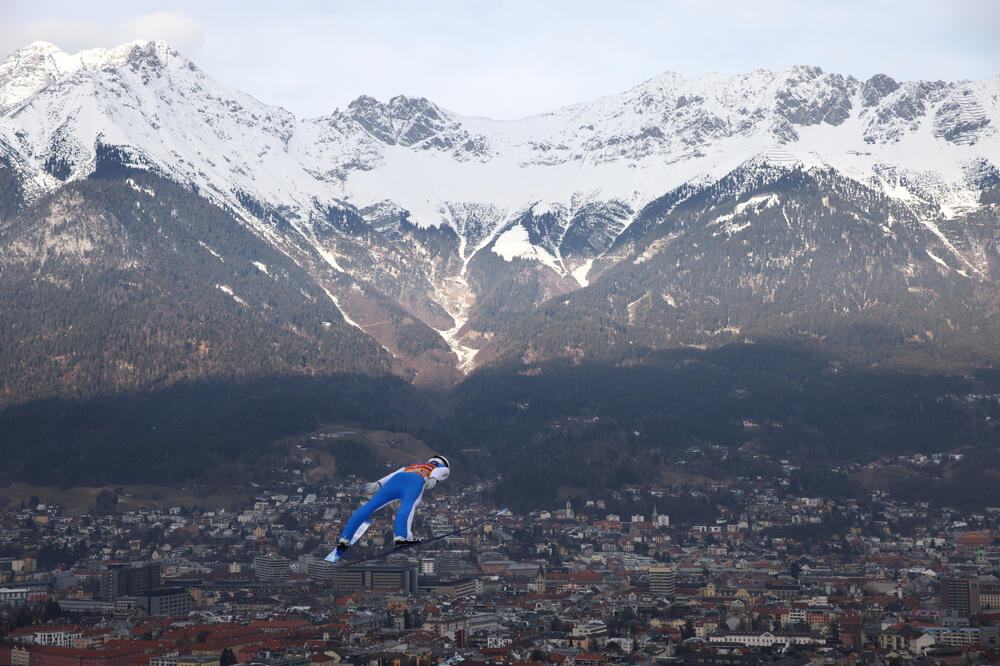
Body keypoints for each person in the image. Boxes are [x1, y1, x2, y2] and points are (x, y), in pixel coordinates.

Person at [336, 455, 450, 551]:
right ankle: (401, 537)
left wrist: (379, 483)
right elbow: (439, 471)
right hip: (415, 481)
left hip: (396, 480)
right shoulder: (441, 467)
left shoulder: (414, 464)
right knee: (408, 506)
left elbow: (395, 473)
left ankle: (345, 538)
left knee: (369, 507)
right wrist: (434, 479)